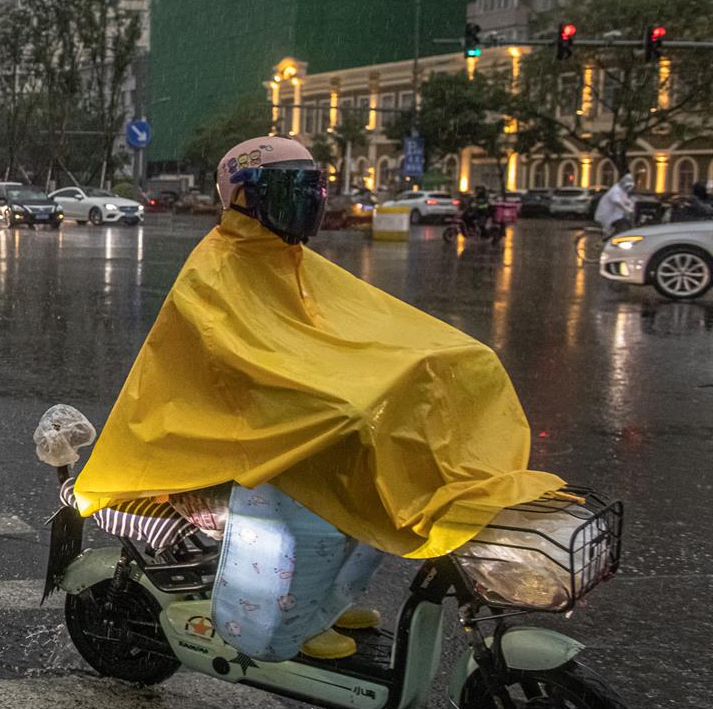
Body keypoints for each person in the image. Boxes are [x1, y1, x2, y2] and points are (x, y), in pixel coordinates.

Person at [75, 135, 563, 662]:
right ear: (242, 196)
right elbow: (247, 368)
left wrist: (446, 362)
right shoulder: (215, 273)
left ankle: (321, 606)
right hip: (231, 455)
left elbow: (358, 332)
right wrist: (340, 404)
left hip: (288, 441)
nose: (305, 202)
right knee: (315, 513)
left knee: (382, 488)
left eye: (313, 188)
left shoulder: (293, 263)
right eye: (287, 189)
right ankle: (281, 627)